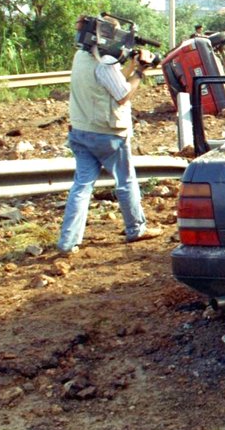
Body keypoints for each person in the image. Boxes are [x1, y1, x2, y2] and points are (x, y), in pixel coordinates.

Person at [57, 16, 162, 254]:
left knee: (82, 187)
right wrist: (140, 71)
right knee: (125, 181)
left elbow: (111, 80)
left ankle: (67, 241)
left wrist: (131, 66)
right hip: (108, 134)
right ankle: (136, 229)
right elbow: (122, 94)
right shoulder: (104, 62)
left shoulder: (82, 57)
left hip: (81, 131)